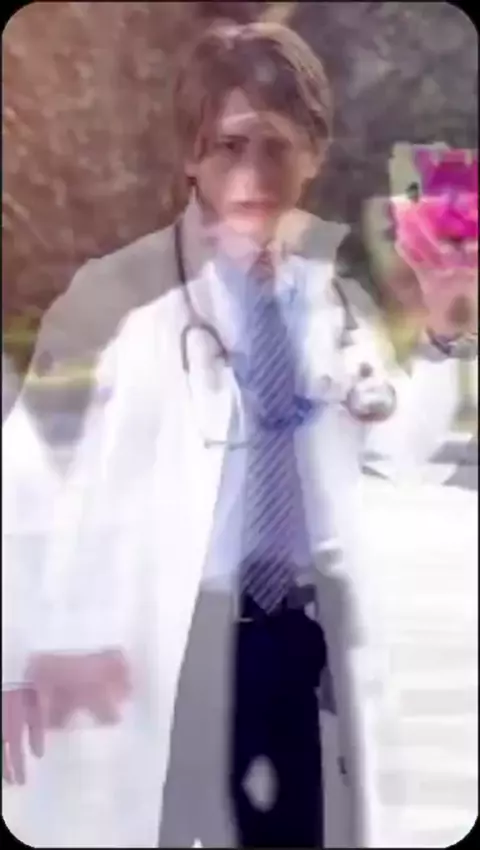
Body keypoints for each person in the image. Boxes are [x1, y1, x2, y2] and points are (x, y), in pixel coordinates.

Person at [2, 20, 474, 849]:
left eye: (278, 146)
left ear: (314, 155)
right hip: (166, 646)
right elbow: (24, 483)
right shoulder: (117, 300)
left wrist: (441, 332)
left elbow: (399, 451)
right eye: (230, 145)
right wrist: (14, 662)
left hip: (297, 648)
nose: (254, 173)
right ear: (191, 155)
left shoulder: (332, 303)